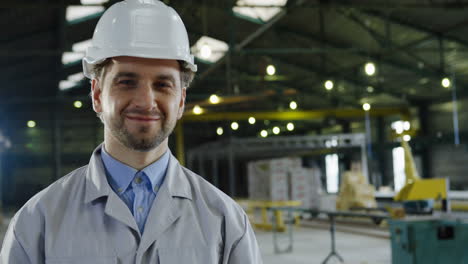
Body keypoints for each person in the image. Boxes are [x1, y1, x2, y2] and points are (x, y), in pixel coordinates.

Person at [0, 0, 263, 263]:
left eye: (163, 84)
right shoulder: (37, 224)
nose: (146, 102)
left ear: (181, 100)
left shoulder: (226, 222)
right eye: (127, 82)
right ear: (97, 94)